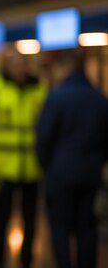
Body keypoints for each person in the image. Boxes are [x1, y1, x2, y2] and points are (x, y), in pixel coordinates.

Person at [36, 49, 108, 268]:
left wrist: (46, 166)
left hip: (60, 175)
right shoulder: (99, 99)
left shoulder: (57, 97)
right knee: (87, 228)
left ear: (66, 68)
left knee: (60, 227)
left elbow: (44, 138)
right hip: (90, 174)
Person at [0, 46, 48, 268]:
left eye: (23, 63)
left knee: (30, 219)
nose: (19, 68)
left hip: (31, 167)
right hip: (2, 167)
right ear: (7, 65)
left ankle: (26, 259)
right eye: (15, 63)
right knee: (1, 219)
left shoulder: (41, 90)